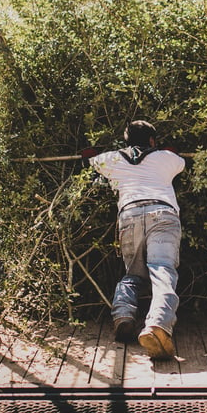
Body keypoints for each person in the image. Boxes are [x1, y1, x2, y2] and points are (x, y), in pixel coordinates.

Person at [87, 120, 185, 360]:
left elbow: (90, 160)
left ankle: (123, 315)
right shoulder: (165, 158)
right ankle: (158, 325)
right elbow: (180, 163)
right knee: (162, 271)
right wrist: (168, 151)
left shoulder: (112, 158)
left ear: (126, 141)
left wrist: (90, 153)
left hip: (129, 215)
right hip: (162, 215)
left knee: (133, 274)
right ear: (152, 141)